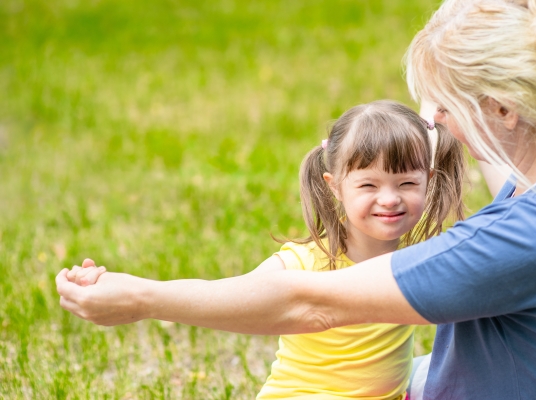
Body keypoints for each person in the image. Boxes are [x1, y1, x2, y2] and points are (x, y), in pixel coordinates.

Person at [56, 0, 536, 399]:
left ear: (503, 109)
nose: (432, 121)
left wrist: (140, 298)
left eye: (444, 104)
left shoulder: (525, 236)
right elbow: (501, 154)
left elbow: (307, 305)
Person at [67, 100, 466, 399]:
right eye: (368, 185)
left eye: (406, 184)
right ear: (335, 186)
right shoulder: (304, 261)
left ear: (428, 181)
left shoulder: (419, 257)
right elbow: (234, 296)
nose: (390, 199)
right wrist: (135, 294)